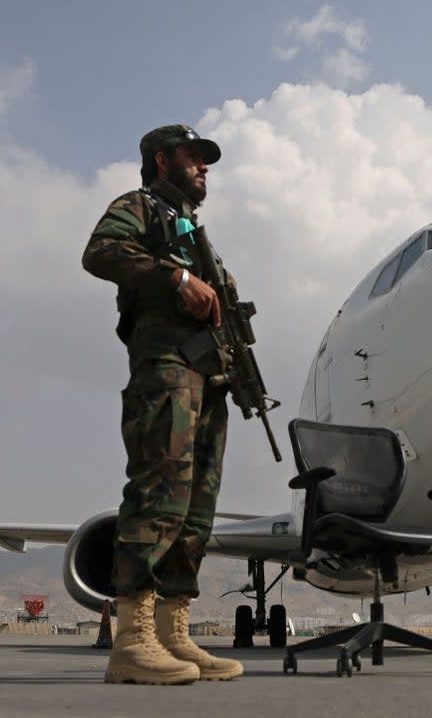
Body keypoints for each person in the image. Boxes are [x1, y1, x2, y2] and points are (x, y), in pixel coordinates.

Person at [82, 124, 243, 685]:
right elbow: (100, 252)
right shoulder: (139, 208)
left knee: (196, 509)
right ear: (161, 159)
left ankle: (174, 634)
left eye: (206, 160)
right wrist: (176, 278)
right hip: (167, 371)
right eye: (193, 157)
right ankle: (133, 640)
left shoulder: (196, 232)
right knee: (159, 492)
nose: (203, 167)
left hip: (209, 378)